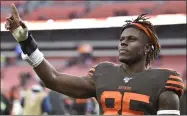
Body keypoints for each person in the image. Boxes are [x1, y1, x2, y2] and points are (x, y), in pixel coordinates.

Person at [5, 4, 184, 115]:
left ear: (147, 48)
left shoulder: (163, 81)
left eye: (131, 40)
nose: (123, 43)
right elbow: (53, 79)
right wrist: (25, 41)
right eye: (121, 40)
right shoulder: (103, 74)